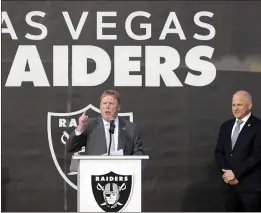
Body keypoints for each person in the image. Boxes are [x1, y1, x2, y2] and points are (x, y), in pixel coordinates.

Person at [215, 90, 261, 211]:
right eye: (233, 105)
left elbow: (257, 156)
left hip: (250, 189)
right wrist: (227, 174)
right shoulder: (226, 126)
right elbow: (219, 152)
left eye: (239, 105)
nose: (235, 108)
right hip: (229, 188)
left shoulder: (258, 126)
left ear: (249, 106)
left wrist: (235, 173)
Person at [66, 90, 143, 155]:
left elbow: (139, 156)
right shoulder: (90, 125)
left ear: (118, 107)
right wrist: (80, 128)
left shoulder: (131, 129)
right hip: (95, 172)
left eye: (111, 103)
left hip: (122, 172)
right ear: (100, 106)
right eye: (104, 103)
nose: (107, 106)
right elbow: (70, 148)